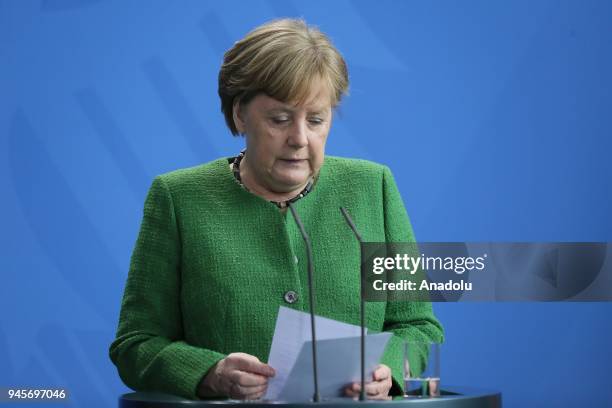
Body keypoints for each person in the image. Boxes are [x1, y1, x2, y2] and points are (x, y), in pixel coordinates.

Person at [109, 18, 443, 401]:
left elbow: (419, 328)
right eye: (279, 119)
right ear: (240, 115)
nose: (299, 138)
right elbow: (135, 346)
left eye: (316, 120)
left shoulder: (373, 188)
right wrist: (210, 373)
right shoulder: (178, 198)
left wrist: (387, 370)